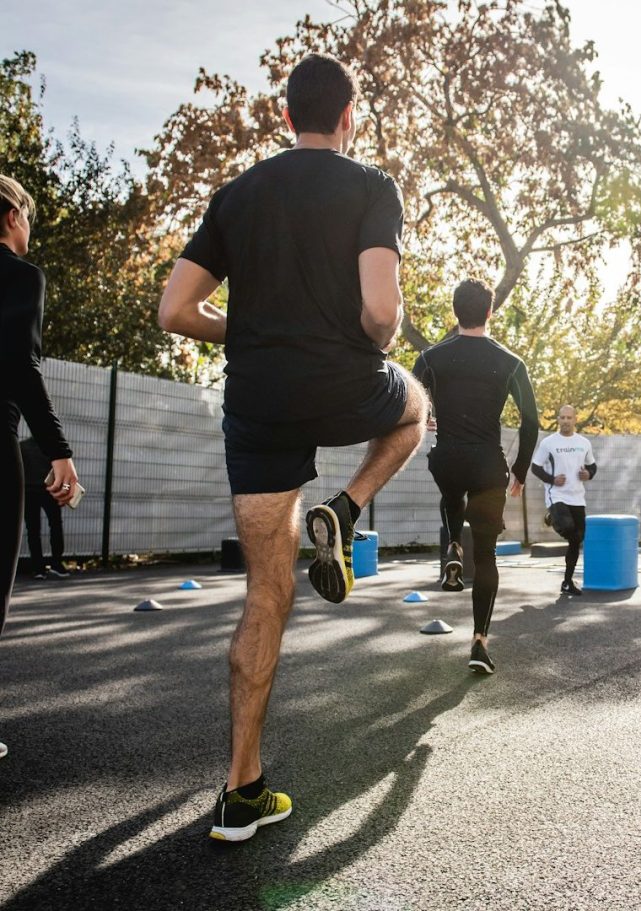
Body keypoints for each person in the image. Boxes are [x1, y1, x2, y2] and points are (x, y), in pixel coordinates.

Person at [158, 54, 426, 841]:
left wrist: (241, 329)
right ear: (349, 119)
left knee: (264, 595)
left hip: (258, 403)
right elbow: (381, 311)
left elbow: (175, 310)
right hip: (344, 386)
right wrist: (373, 338)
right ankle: (345, 505)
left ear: (285, 118)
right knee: (414, 407)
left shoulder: (236, 196)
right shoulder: (372, 186)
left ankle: (241, 790)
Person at [413, 278, 539, 674]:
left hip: (447, 459)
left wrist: (428, 417)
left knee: (451, 492)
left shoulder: (431, 357)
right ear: (490, 311)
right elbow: (531, 422)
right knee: (486, 557)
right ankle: (479, 644)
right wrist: (520, 470)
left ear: (455, 311)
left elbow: (410, 402)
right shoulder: (511, 362)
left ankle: (452, 545)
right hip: (488, 466)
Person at [1, 175, 79, 762]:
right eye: (28, 217)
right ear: (10, 218)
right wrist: (59, 451)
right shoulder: (20, 275)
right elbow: (21, 368)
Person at [530, 405, 597, 596]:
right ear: (558, 420)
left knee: (577, 539)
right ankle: (553, 515)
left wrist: (588, 474)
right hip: (556, 495)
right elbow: (535, 468)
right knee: (569, 530)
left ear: (575, 419)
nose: (566, 421)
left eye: (569, 418)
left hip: (577, 497)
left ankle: (567, 582)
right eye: (562, 418)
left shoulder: (583, 443)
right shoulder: (549, 443)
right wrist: (552, 480)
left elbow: (593, 466)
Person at [20, 436, 69, 579]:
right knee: (56, 525)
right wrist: (65, 491)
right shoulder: (52, 447)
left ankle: (38, 568)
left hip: (29, 492)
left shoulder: (22, 447)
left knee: (33, 530)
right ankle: (57, 564)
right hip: (50, 492)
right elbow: (63, 472)